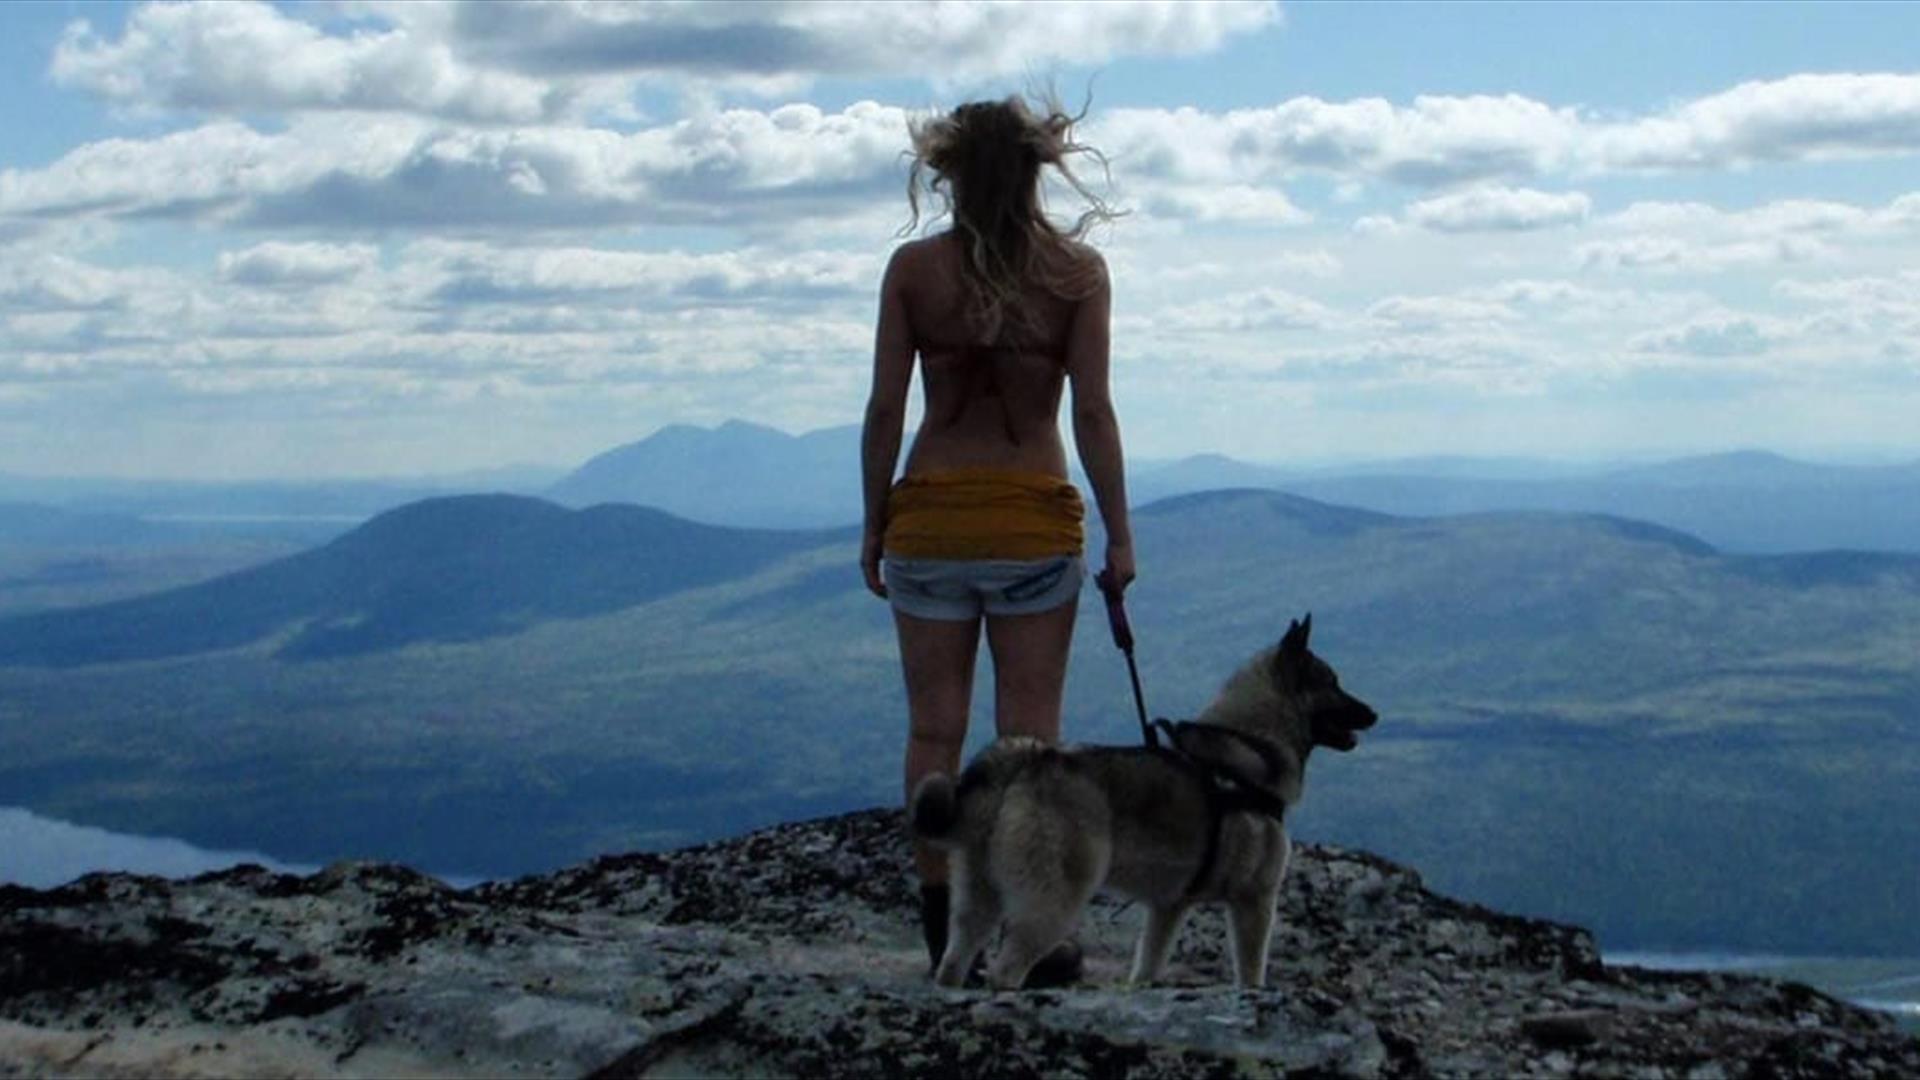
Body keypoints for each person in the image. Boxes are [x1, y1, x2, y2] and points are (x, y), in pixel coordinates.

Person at [858, 95, 1133, 985]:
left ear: (945, 172)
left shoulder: (912, 271)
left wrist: (875, 524)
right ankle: (1028, 937)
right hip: (1031, 521)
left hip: (930, 519)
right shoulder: (1076, 273)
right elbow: (1090, 410)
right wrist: (1120, 537)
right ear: (1036, 168)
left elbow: (886, 412)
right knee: (1028, 739)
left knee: (933, 735)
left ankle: (943, 932)